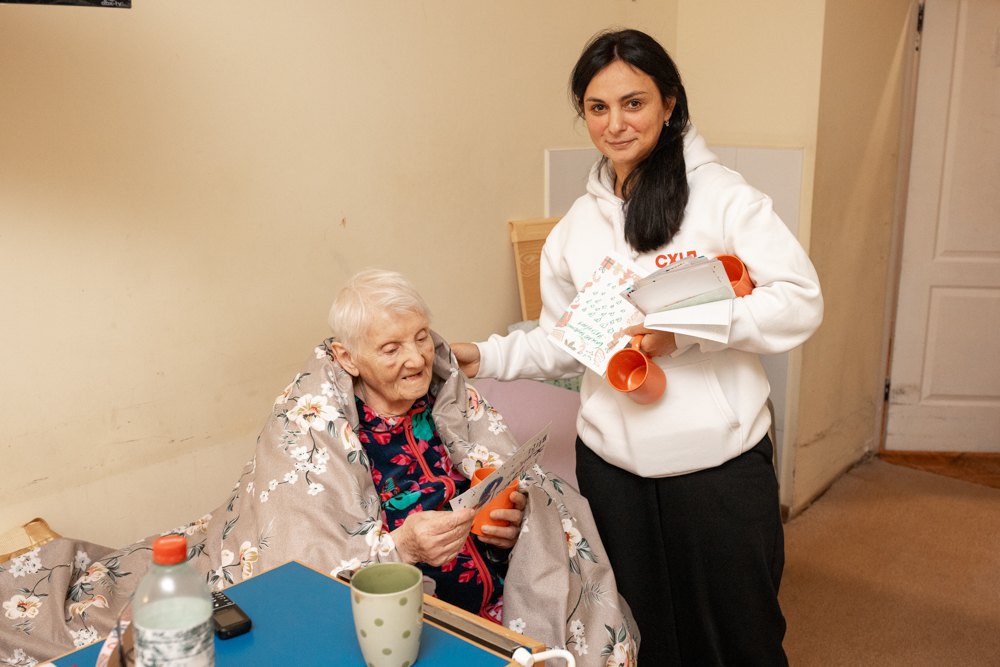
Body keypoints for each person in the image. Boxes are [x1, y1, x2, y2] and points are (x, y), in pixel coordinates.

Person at [0, 269, 637, 667]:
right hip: (396, 594)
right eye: (390, 347)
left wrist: (511, 520)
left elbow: (501, 469)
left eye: (420, 336)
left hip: (477, 594)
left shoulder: (447, 393)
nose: (417, 358)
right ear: (347, 355)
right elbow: (295, 552)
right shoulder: (310, 422)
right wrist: (400, 546)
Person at [453, 28, 823, 665]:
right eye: (598, 108)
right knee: (638, 638)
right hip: (615, 474)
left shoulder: (725, 199)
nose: (615, 124)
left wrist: (687, 331)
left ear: (670, 103)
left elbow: (799, 302)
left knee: (742, 638)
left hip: (718, 470)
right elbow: (565, 341)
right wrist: (482, 357)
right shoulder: (577, 228)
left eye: (634, 102)